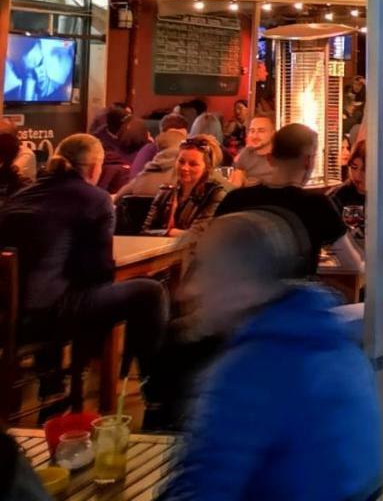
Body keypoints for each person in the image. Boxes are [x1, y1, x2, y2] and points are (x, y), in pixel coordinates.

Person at [160, 210, 383, 501]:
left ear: (243, 287)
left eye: (205, 269)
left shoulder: (248, 374)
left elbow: (201, 490)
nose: (187, 289)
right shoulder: (340, 346)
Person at [0, 134, 168, 401]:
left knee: (55, 287)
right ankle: (156, 397)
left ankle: (52, 390)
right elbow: (99, 272)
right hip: (50, 316)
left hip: (9, 316)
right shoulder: (95, 199)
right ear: (94, 167)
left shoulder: (20, 196)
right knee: (150, 293)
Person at [215, 123, 360, 276]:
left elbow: (211, 252)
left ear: (270, 158)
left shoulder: (235, 199)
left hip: (235, 295)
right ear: (309, 161)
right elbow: (353, 265)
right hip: (292, 296)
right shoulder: (317, 205)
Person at [144, 136, 228, 239]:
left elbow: (199, 236)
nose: (184, 168)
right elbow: (146, 231)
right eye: (181, 161)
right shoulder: (165, 192)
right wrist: (171, 232)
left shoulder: (215, 194)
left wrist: (170, 232)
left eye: (193, 164)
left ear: (207, 168)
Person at [129, 113, 190, 179]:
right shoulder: (150, 150)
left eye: (181, 137)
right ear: (162, 135)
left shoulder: (189, 152)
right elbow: (135, 178)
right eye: (173, 136)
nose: (177, 140)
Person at [228, 115, 275, 189]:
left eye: (261, 131)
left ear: (272, 133)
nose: (255, 136)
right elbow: (236, 181)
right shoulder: (247, 152)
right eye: (252, 131)